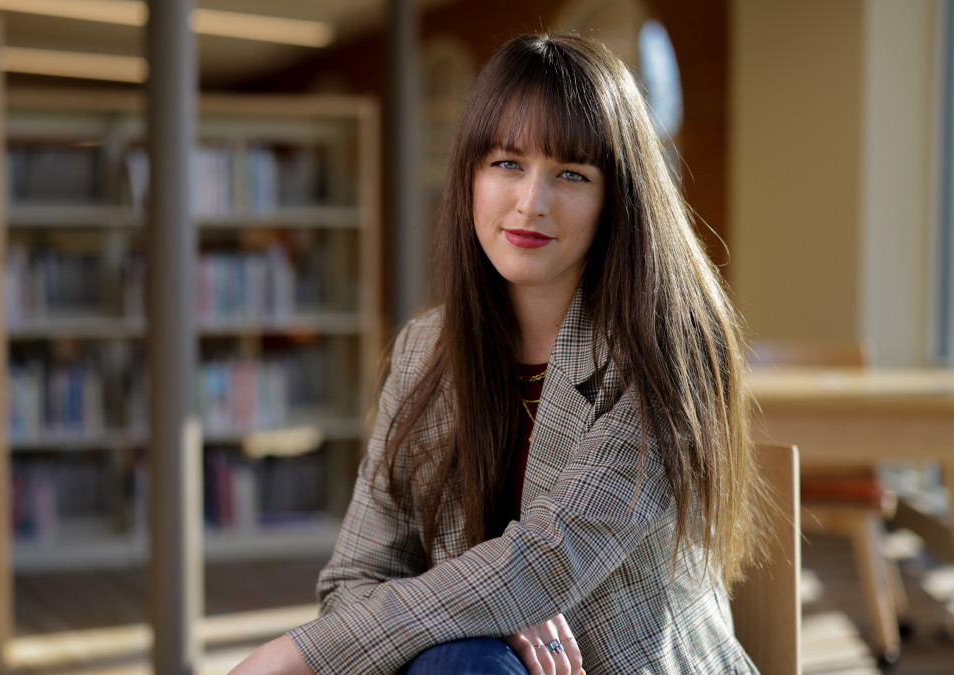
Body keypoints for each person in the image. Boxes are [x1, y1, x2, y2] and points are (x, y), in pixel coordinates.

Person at [231, 32, 770, 675]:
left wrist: (299, 654)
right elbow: (354, 576)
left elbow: (552, 558)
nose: (530, 203)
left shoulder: (668, 345)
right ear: (469, 175)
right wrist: (486, 613)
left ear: (617, 199)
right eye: (507, 163)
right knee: (466, 658)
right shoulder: (422, 350)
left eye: (571, 174)